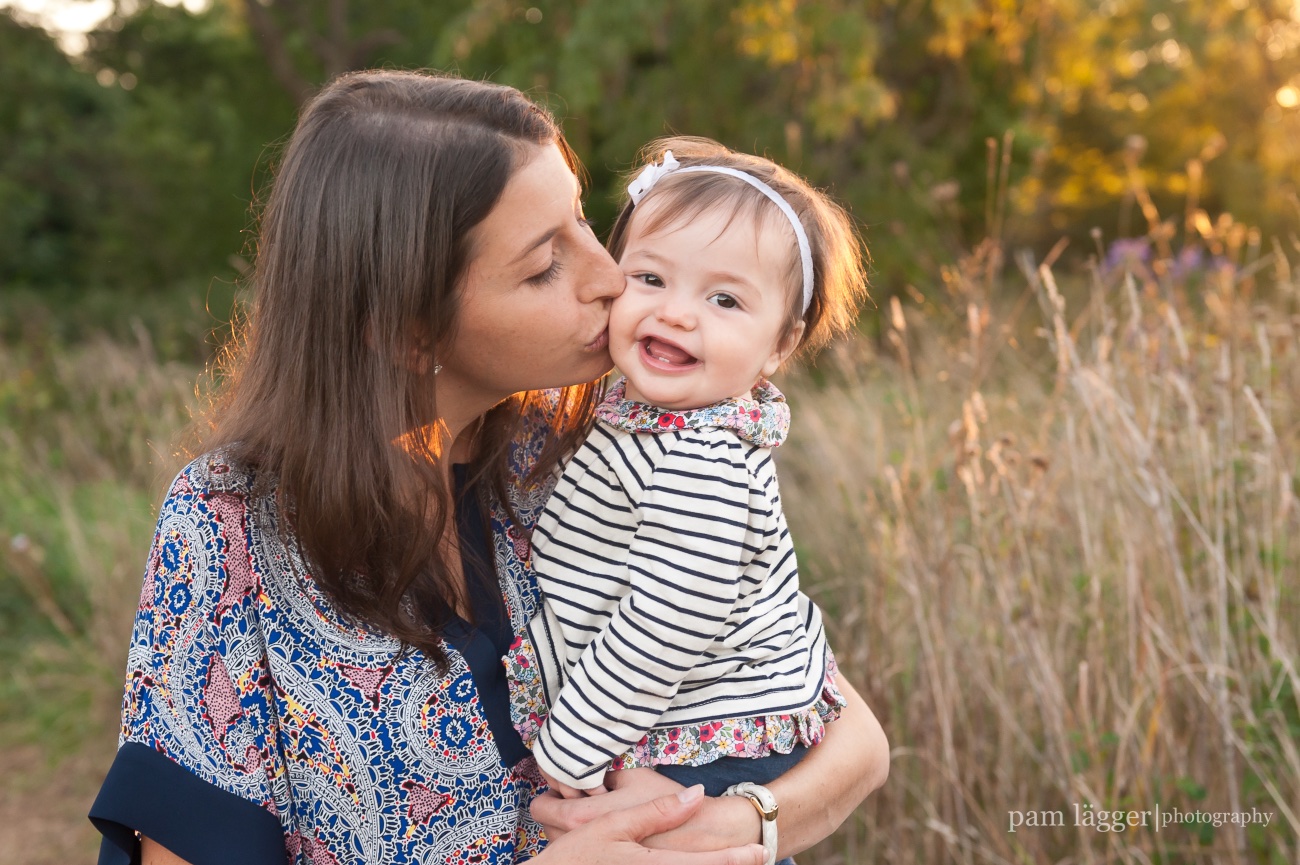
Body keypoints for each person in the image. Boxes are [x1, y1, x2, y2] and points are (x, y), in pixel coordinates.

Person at [87, 70, 889, 865]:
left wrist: (740, 821)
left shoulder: (585, 445)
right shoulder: (228, 527)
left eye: (584, 222)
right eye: (545, 264)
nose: (612, 275)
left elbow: (854, 738)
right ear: (409, 329)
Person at [505, 137, 867, 843]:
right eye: (650, 279)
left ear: (780, 346)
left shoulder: (700, 454)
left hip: (709, 733)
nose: (677, 313)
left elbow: (669, 619)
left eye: (725, 298)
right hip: (680, 714)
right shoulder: (648, 415)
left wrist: (572, 743)